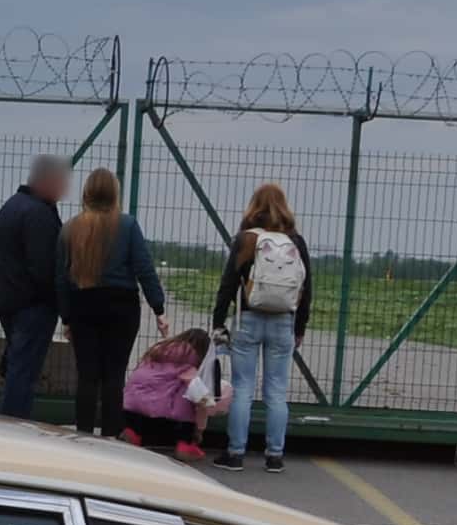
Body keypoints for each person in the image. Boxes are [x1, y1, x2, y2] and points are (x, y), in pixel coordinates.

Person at [211, 182, 313, 472]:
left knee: (243, 387)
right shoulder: (295, 241)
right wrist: (300, 326)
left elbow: (228, 284)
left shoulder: (246, 239)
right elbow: (307, 288)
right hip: (283, 321)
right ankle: (275, 455)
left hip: (248, 319)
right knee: (277, 391)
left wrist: (218, 322)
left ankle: (235, 453)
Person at [57, 166, 163, 437]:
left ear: (87, 193)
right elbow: (144, 268)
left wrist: (66, 317)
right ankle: (111, 437)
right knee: (114, 375)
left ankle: (82, 434)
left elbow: (61, 277)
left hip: (83, 305)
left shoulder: (71, 228)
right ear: (115, 193)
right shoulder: (127, 225)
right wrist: (158, 307)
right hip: (121, 306)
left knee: (87, 375)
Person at [0, 154, 67, 417]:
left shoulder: (12, 206)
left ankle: (10, 417)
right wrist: (61, 304)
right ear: (47, 181)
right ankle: (14, 425)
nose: (64, 189)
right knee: (23, 373)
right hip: (32, 306)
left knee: (18, 367)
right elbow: (44, 269)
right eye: (61, 182)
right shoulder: (38, 214)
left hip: (9, 300)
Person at [120, 327, 213, 455]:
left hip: (131, 403)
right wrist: (201, 426)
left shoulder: (157, 353)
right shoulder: (189, 365)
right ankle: (184, 444)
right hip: (160, 411)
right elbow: (201, 397)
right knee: (188, 392)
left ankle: (132, 433)